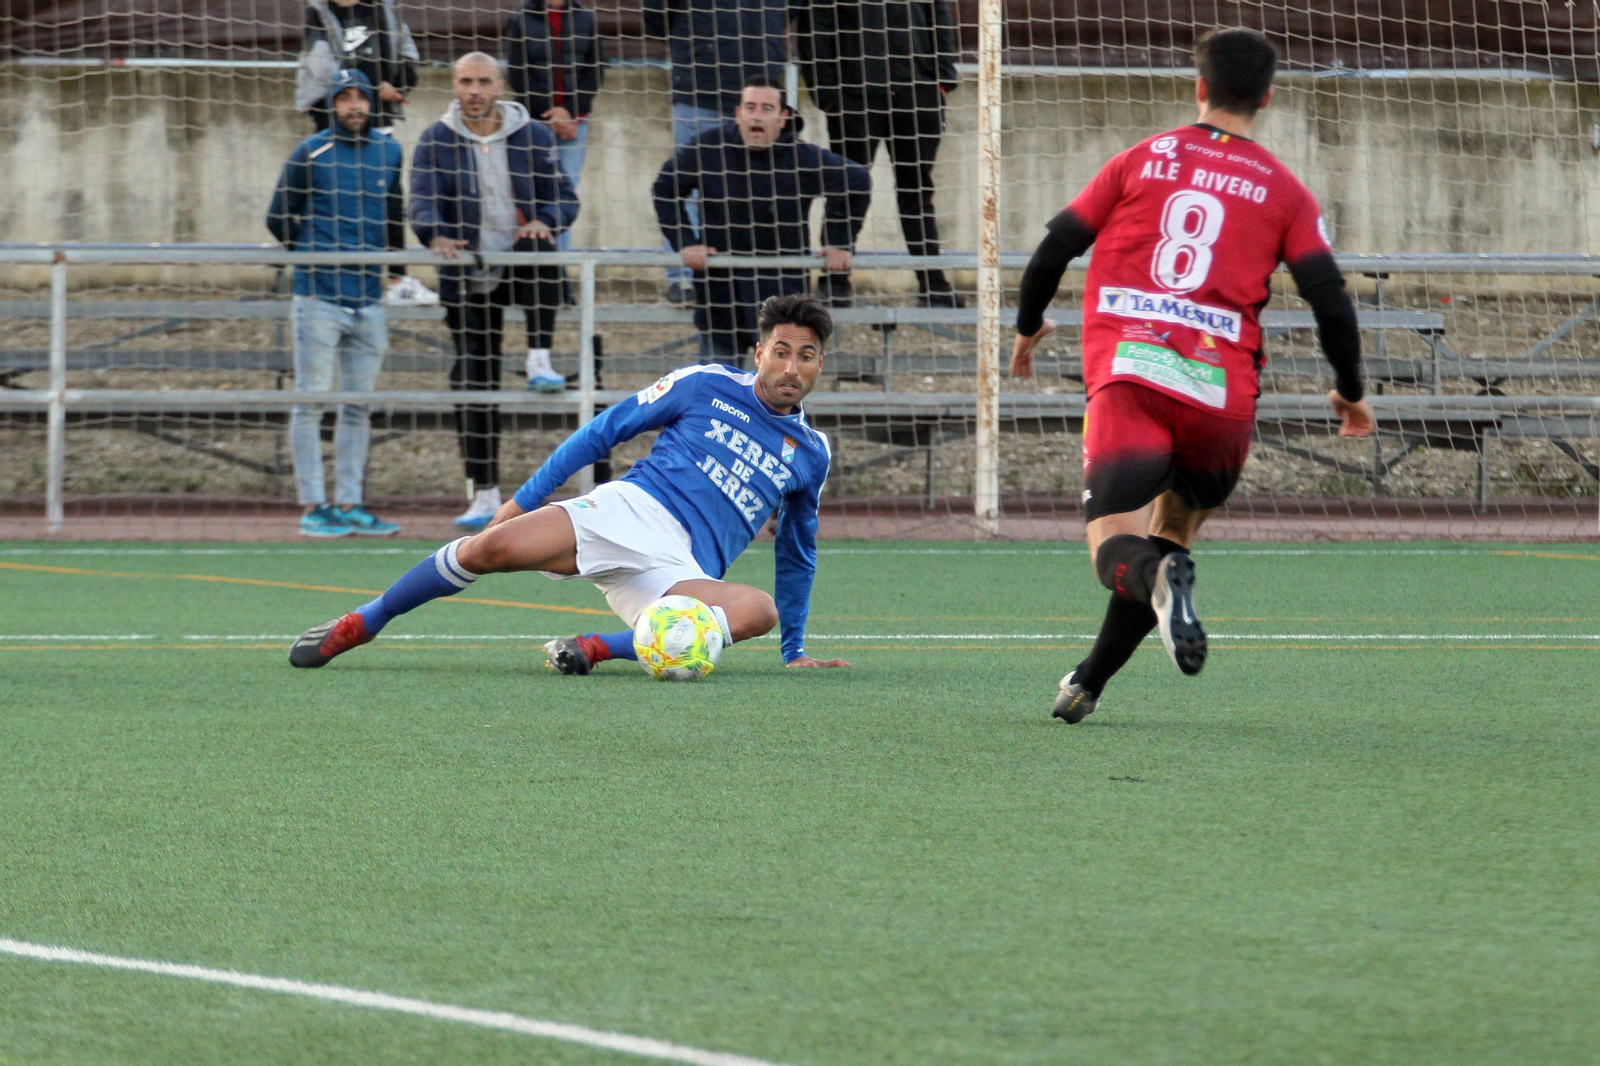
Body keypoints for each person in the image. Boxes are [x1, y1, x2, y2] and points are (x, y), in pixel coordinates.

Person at [1008, 28, 1375, 723]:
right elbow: (1331, 300)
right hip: (1220, 401)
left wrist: (1028, 325)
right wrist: (1351, 393)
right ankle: (1087, 682)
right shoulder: (1285, 192)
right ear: (1267, 98)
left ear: (1200, 87)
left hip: (1133, 380)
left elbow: (1053, 250)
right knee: (1170, 532)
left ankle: (1156, 582)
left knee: (1115, 547)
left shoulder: (1140, 159)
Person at [288, 293, 853, 674]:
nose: (790, 368)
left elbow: (796, 553)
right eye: (781, 352)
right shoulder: (704, 384)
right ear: (759, 353)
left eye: (805, 357)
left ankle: (594, 649)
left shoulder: (811, 453)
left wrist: (794, 651)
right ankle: (364, 622)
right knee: (488, 548)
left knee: (757, 610)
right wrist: (520, 502)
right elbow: (602, 432)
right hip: (628, 510)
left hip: (681, 571)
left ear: (819, 365)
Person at [410, 53, 579, 531]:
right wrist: (435, 234)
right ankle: (483, 493)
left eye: (484, 81)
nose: (475, 90)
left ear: (500, 85)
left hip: (524, 263)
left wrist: (546, 220)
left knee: (542, 248)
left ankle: (539, 358)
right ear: (454, 85)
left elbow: (565, 197)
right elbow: (420, 199)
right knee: (473, 381)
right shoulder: (435, 138)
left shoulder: (534, 135)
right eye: (466, 81)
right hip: (469, 271)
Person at [266, 70, 404, 539]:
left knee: (358, 405)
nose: (354, 106)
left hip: (369, 299)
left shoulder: (390, 151)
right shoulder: (310, 152)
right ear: (331, 105)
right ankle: (313, 505)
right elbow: (278, 216)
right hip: (318, 297)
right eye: (344, 98)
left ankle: (351, 502)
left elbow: (394, 213)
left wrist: (394, 271)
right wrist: (313, 256)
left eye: (360, 97)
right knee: (311, 400)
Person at [653, 76, 871, 365]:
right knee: (717, 386)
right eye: (750, 107)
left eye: (767, 108)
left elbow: (858, 182)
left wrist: (839, 242)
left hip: (782, 305)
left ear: (783, 118)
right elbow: (664, 189)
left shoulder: (802, 158)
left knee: (777, 389)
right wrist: (685, 241)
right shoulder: (707, 149)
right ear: (738, 114)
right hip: (720, 298)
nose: (757, 116)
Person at [794, 0, 963, 308]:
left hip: (917, 92)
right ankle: (835, 280)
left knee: (917, 191)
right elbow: (816, 24)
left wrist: (942, 79)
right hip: (854, 97)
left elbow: (939, 13)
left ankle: (932, 282)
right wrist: (827, 94)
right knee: (847, 187)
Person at [641, 0, 790, 303]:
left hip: (759, 96)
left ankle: (755, 282)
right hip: (699, 92)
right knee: (688, 189)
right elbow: (656, 16)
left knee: (762, 189)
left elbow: (790, 10)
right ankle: (682, 278)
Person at [295, 0, 437, 308]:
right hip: (334, 127)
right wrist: (373, 88)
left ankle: (397, 280)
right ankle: (330, 278)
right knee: (336, 199)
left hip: (379, 122)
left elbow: (407, 55)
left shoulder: (382, 9)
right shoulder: (319, 13)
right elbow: (324, 70)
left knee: (389, 200)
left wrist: (397, 85)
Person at [505, 0, 605, 255]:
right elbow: (517, 73)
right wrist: (550, 115)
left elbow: (596, 70)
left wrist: (570, 112)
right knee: (529, 195)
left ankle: (557, 264)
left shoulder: (585, 18)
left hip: (573, 125)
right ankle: (529, 263)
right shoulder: (521, 17)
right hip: (532, 125)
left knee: (563, 196)